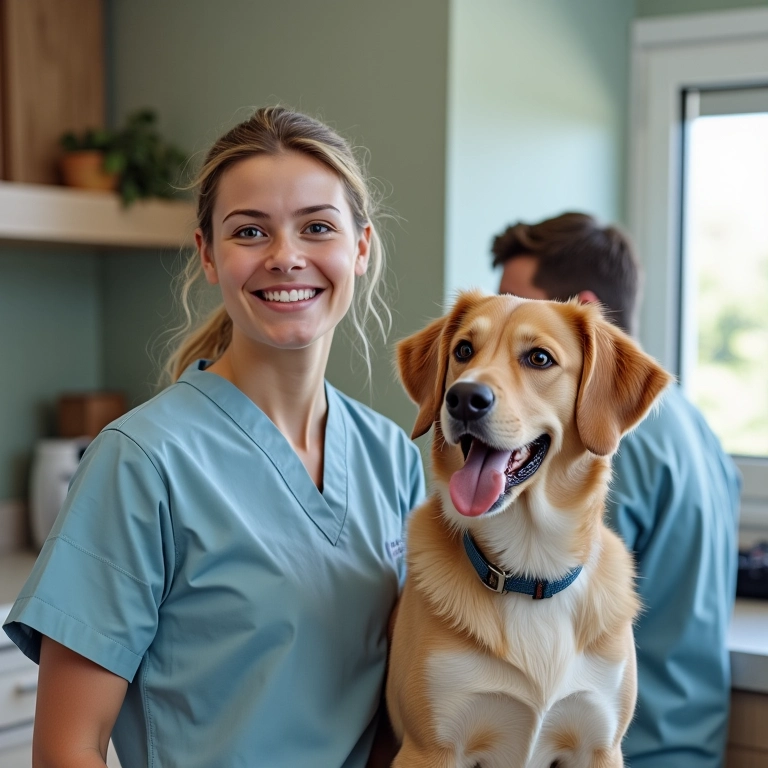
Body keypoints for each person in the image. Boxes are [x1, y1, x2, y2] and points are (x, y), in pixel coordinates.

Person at [3, 106, 425, 768]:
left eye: (317, 227)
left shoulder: (391, 457)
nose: (286, 257)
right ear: (208, 255)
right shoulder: (141, 462)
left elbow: (397, 713)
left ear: (361, 248)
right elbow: (66, 750)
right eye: (250, 231)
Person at [492, 212, 741, 768]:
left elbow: (546, 612)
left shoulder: (597, 446)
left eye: (516, 305)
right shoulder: (691, 424)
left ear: (583, 310)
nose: (498, 324)